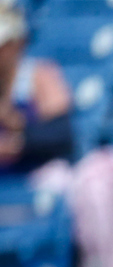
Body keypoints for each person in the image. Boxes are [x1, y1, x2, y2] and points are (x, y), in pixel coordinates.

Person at [0, 5, 72, 173]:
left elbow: (62, 136)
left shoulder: (40, 76)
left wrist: (18, 130)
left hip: (35, 176)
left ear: (18, 43)